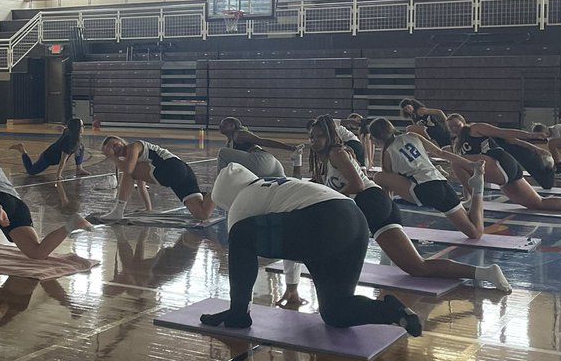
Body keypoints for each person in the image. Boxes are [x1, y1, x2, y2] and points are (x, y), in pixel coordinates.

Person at [288, 115, 509, 305]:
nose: (314, 141)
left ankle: (325, 296)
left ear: (330, 136)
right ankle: (484, 272)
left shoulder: (337, 153)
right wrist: (298, 165)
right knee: (417, 268)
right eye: (311, 137)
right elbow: (311, 185)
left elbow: (356, 184)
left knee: (328, 245)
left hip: (371, 203)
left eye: (319, 136)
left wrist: (331, 198)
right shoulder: (327, 159)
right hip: (380, 205)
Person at [199, 162, 422, 335]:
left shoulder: (241, 203)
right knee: (335, 311)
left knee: (239, 234)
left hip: (323, 223)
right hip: (354, 220)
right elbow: (290, 241)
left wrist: (241, 305)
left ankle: (238, 314)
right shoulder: (276, 186)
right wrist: (292, 285)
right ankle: (392, 312)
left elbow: (243, 250)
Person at [443, 115, 561, 216]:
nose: (454, 128)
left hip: (500, 162)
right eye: (450, 127)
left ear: (463, 122)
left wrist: (532, 135)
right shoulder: (458, 143)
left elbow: (505, 133)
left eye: (457, 125)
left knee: (456, 161)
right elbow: (468, 173)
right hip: (507, 171)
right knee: (537, 203)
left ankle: (473, 200)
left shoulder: (475, 128)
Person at [367, 117, 486, 239]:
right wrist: (471, 164)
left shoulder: (386, 152)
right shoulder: (413, 136)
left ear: (377, 137)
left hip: (423, 189)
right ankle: (478, 190)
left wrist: (386, 214)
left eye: (371, 136)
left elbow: (388, 190)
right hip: (441, 183)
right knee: (475, 233)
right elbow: (441, 153)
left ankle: (387, 220)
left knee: (379, 177)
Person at [100, 137, 213, 222]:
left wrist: (112, 157)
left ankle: (118, 211)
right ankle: (218, 191)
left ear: (121, 141)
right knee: (202, 214)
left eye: (115, 144)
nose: (115, 148)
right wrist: (148, 208)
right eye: (111, 148)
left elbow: (129, 170)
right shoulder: (136, 163)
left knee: (128, 172)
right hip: (183, 172)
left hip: (171, 167)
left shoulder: (133, 146)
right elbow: (141, 185)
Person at [12, 118, 89, 180]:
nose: (83, 127)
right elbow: (63, 160)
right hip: (48, 157)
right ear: (76, 128)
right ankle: (22, 150)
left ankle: (79, 168)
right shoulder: (69, 142)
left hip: (54, 155)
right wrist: (58, 175)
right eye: (82, 126)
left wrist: (54, 127)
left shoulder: (71, 133)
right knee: (31, 171)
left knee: (80, 146)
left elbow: (62, 128)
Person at [217, 117, 289, 177]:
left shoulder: (239, 134)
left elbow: (262, 141)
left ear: (232, 126)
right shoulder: (230, 142)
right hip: (273, 165)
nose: (220, 126)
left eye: (223, 124)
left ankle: (219, 184)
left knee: (222, 152)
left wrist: (289, 148)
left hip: (261, 160)